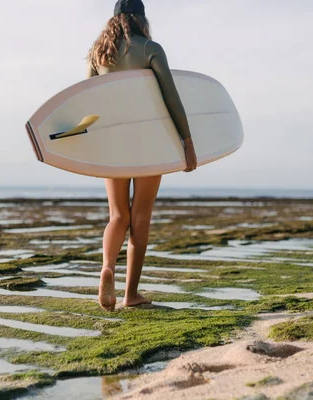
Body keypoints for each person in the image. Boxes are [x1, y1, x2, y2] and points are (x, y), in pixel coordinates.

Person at [87, 0, 197, 311]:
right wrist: (187, 141)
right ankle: (130, 294)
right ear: (140, 19)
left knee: (118, 215)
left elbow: (87, 99)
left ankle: (107, 266)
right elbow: (170, 97)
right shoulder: (150, 48)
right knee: (141, 215)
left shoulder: (99, 53)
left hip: (113, 144)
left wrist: (91, 150)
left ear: (116, 18)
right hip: (150, 142)